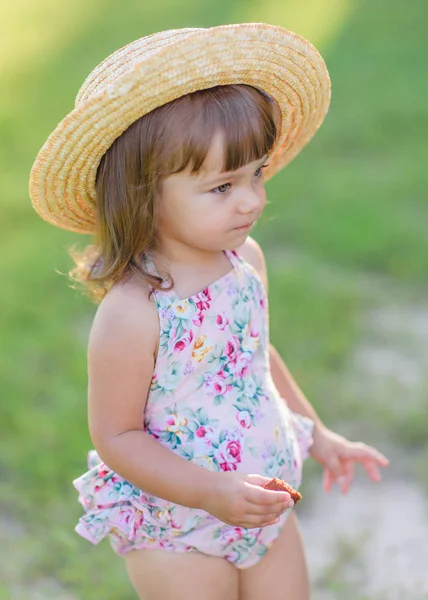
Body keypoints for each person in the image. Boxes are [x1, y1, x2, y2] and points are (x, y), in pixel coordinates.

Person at [29, 23, 389, 600]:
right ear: (144, 194)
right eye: (222, 187)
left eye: (257, 173)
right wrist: (208, 493)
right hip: (178, 528)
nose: (252, 199)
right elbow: (118, 435)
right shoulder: (134, 312)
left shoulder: (245, 261)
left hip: (262, 504)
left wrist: (319, 435)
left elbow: (256, 357)